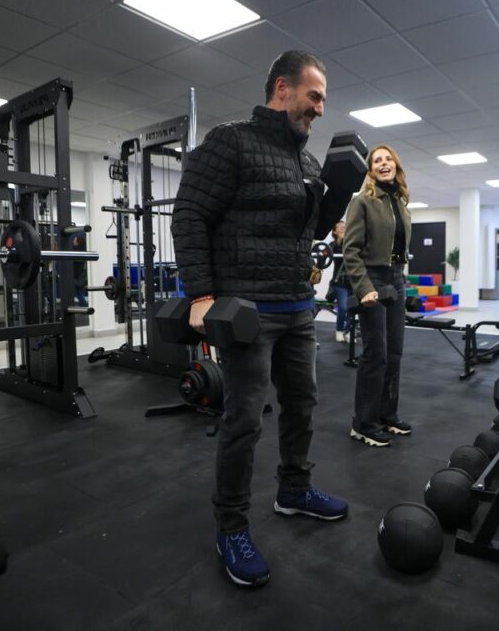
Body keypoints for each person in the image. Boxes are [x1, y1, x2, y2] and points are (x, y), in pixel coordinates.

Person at [171, 50, 354, 589]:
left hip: (298, 308)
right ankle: (231, 527)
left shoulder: (308, 163)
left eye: (323, 100)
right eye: (314, 96)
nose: (320, 108)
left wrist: (333, 211)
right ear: (282, 89)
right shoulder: (230, 142)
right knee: (245, 419)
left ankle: (294, 490)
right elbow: (189, 214)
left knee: (302, 405)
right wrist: (201, 294)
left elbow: (304, 231)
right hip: (248, 312)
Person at [343, 144, 413, 447]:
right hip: (372, 278)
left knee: (395, 352)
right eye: (377, 161)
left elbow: (399, 248)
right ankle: (363, 422)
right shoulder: (362, 201)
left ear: (396, 165)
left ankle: (387, 414)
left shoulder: (400, 202)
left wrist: (401, 278)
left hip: (396, 278)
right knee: (376, 354)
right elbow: (351, 250)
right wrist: (364, 288)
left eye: (388, 159)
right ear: (371, 170)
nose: (383, 164)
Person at [328, 221, 353, 342]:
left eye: (344, 226)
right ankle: (339, 330)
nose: (343, 227)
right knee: (343, 307)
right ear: (334, 231)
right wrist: (341, 240)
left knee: (352, 308)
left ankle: (349, 332)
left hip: (353, 281)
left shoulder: (352, 242)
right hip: (339, 282)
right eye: (339, 226)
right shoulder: (333, 244)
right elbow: (334, 256)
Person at [71, 235, 88, 307]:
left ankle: (84, 307)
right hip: (82, 274)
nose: (73, 241)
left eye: (74, 240)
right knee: (80, 293)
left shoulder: (74, 251)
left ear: (78, 242)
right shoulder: (84, 250)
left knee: (79, 294)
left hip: (77, 275)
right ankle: (83, 307)